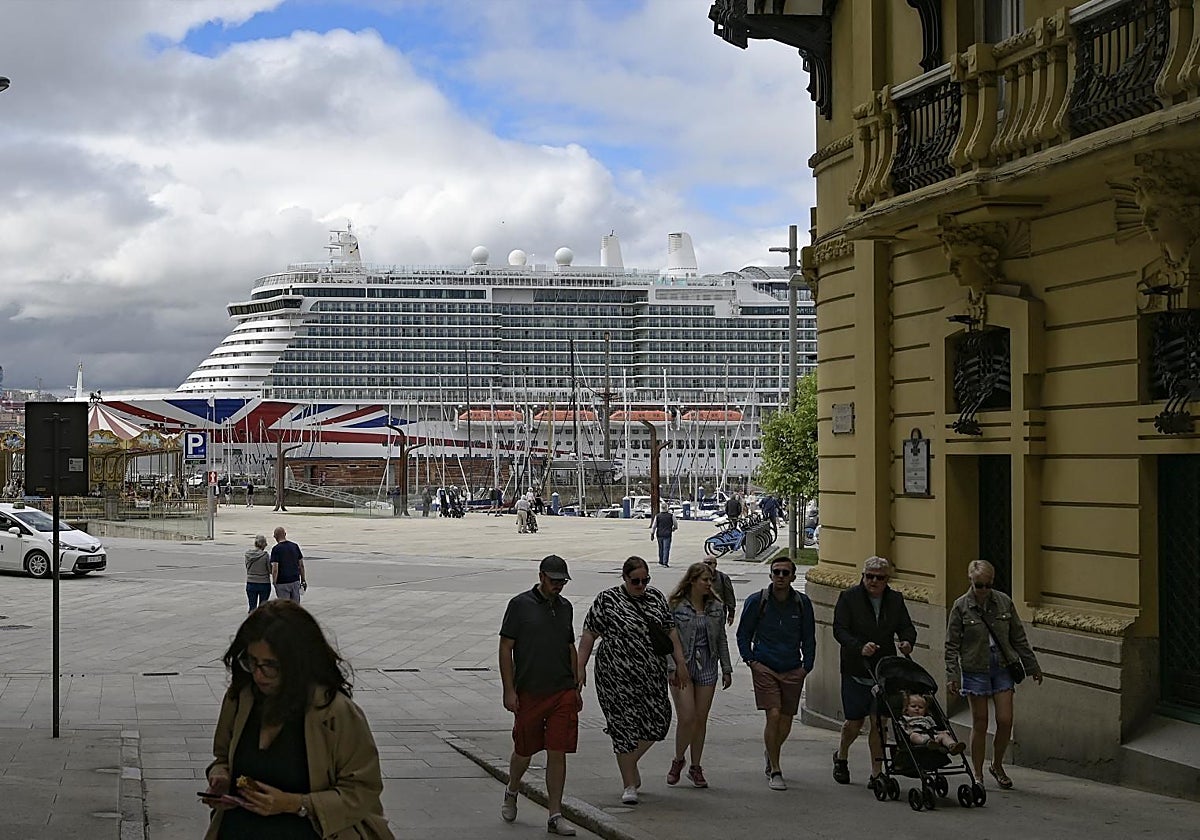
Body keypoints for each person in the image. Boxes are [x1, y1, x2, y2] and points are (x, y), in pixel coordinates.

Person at [201, 600, 393, 839]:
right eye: (252, 662)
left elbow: (362, 792)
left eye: (271, 666)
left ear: (298, 663)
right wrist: (220, 777)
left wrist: (294, 804)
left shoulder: (335, 713)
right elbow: (222, 758)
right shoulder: (240, 699)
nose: (259, 675)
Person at [578, 556, 689, 805]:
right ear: (625, 578)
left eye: (645, 580)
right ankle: (629, 783)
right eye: (635, 581)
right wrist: (580, 667)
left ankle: (629, 762)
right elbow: (588, 634)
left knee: (659, 721)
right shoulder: (607, 600)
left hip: (651, 674)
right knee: (623, 727)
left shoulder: (656, 598)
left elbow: (670, 631)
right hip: (614, 676)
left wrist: (680, 663)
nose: (641, 585)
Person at [498, 555, 581, 836]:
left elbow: (570, 645)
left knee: (558, 751)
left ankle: (555, 814)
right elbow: (506, 647)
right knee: (524, 750)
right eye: (554, 580)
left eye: (562, 582)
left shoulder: (565, 608)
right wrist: (509, 689)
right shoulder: (520, 605)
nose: (559, 586)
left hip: (562, 690)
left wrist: (576, 681)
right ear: (541, 576)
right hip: (530, 690)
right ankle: (512, 788)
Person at [945, 559, 1043, 790]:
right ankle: (978, 774)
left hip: (1002, 664)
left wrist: (1032, 666)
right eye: (979, 585)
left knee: (1005, 720)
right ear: (971, 581)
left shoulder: (1003, 602)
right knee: (980, 722)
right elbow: (951, 645)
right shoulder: (961, 606)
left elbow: (1018, 637)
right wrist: (953, 675)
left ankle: (997, 765)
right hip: (975, 666)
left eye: (988, 585)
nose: (984, 590)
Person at [831, 556, 916, 787]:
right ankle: (841, 755)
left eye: (879, 578)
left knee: (880, 723)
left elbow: (906, 626)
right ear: (863, 576)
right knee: (854, 723)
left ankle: (877, 772)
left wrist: (907, 641)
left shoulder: (895, 600)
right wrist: (860, 647)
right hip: (856, 668)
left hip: (884, 670)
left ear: (887, 579)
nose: (874, 581)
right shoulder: (849, 598)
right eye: (869, 576)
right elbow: (839, 629)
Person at [736, 557, 815, 791]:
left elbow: (809, 637)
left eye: (785, 573)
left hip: (792, 667)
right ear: (770, 575)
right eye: (776, 572)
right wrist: (751, 661)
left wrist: (806, 666)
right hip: (765, 667)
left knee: (786, 719)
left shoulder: (802, 603)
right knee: (773, 713)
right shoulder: (757, 601)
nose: (780, 577)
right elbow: (743, 634)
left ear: (792, 577)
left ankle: (771, 752)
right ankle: (776, 769)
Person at [665, 562, 732, 789]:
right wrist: (671, 666)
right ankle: (678, 759)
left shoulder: (715, 607)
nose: (709, 584)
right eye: (705, 580)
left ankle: (696, 766)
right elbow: (666, 640)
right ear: (692, 581)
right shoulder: (676, 606)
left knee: (701, 719)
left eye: (711, 580)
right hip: (683, 665)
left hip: (708, 665)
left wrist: (727, 668)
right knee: (687, 717)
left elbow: (721, 638)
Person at [899, 693, 964, 754]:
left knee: (944, 736)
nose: (917, 708)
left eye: (920, 707)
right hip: (918, 736)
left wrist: (941, 732)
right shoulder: (905, 719)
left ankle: (952, 746)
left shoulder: (928, 718)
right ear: (906, 709)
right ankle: (927, 742)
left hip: (933, 737)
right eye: (913, 706)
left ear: (925, 710)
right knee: (914, 736)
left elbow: (934, 729)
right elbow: (903, 728)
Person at [270, 527, 306, 604]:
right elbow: (301, 565)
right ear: (285, 534)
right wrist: (303, 579)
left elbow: (275, 568)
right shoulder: (295, 546)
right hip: (295, 580)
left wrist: (274, 581)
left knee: (284, 607)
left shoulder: (276, 549)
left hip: (282, 582)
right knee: (295, 607)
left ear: (275, 537)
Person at [703, 557, 737, 627]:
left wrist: (731, 614)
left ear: (715, 565)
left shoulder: (723, 578)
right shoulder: (698, 578)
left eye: (709, 563)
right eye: (704, 563)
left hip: (718, 614)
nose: (706, 565)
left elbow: (729, 596)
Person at [244, 535, 272, 613]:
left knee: (252, 607)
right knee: (262, 608)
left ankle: (252, 622)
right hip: (264, 583)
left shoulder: (248, 554)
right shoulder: (265, 555)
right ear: (263, 544)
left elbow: (247, 567)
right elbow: (270, 570)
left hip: (251, 582)